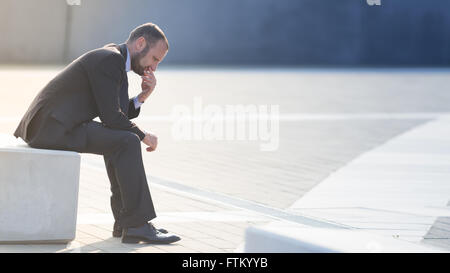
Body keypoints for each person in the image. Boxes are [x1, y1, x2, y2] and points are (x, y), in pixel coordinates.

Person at [13, 22, 180, 244]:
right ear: (141, 43)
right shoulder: (111, 59)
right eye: (155, 59)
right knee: (127, 141)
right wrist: (143, 135)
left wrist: (143, 96)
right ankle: (136, 224)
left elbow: (118, 114)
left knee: (122, 140)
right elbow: (112, 118)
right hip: (51, 128)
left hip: (55, 125)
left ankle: (126, 222)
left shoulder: (115, 59)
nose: (154, 67)